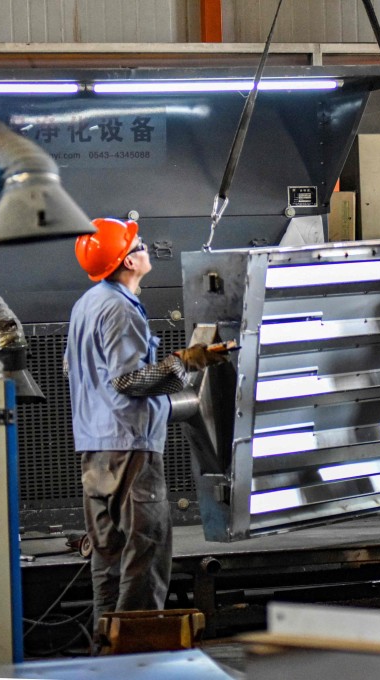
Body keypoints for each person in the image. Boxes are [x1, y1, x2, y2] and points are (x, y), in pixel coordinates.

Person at [65, 217, 227, 634]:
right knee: (146, 555)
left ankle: (107, 648)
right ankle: (138, 657)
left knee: (109, 556)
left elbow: (78, 371)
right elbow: (128, 381)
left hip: (96, 448)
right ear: (126, 261)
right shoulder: (121, 309)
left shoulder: (88, 302)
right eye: (137, 244)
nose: (145, 247)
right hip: (129, 448)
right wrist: (187, 362)